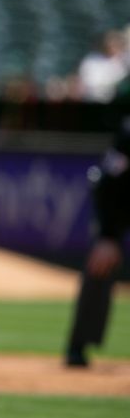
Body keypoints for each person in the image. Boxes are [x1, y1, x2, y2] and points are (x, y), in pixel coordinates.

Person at [65, 115, 130, 367]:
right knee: (99, 266)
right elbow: (106, 181)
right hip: (118, 208)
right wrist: (107, 235)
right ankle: (77, 347)